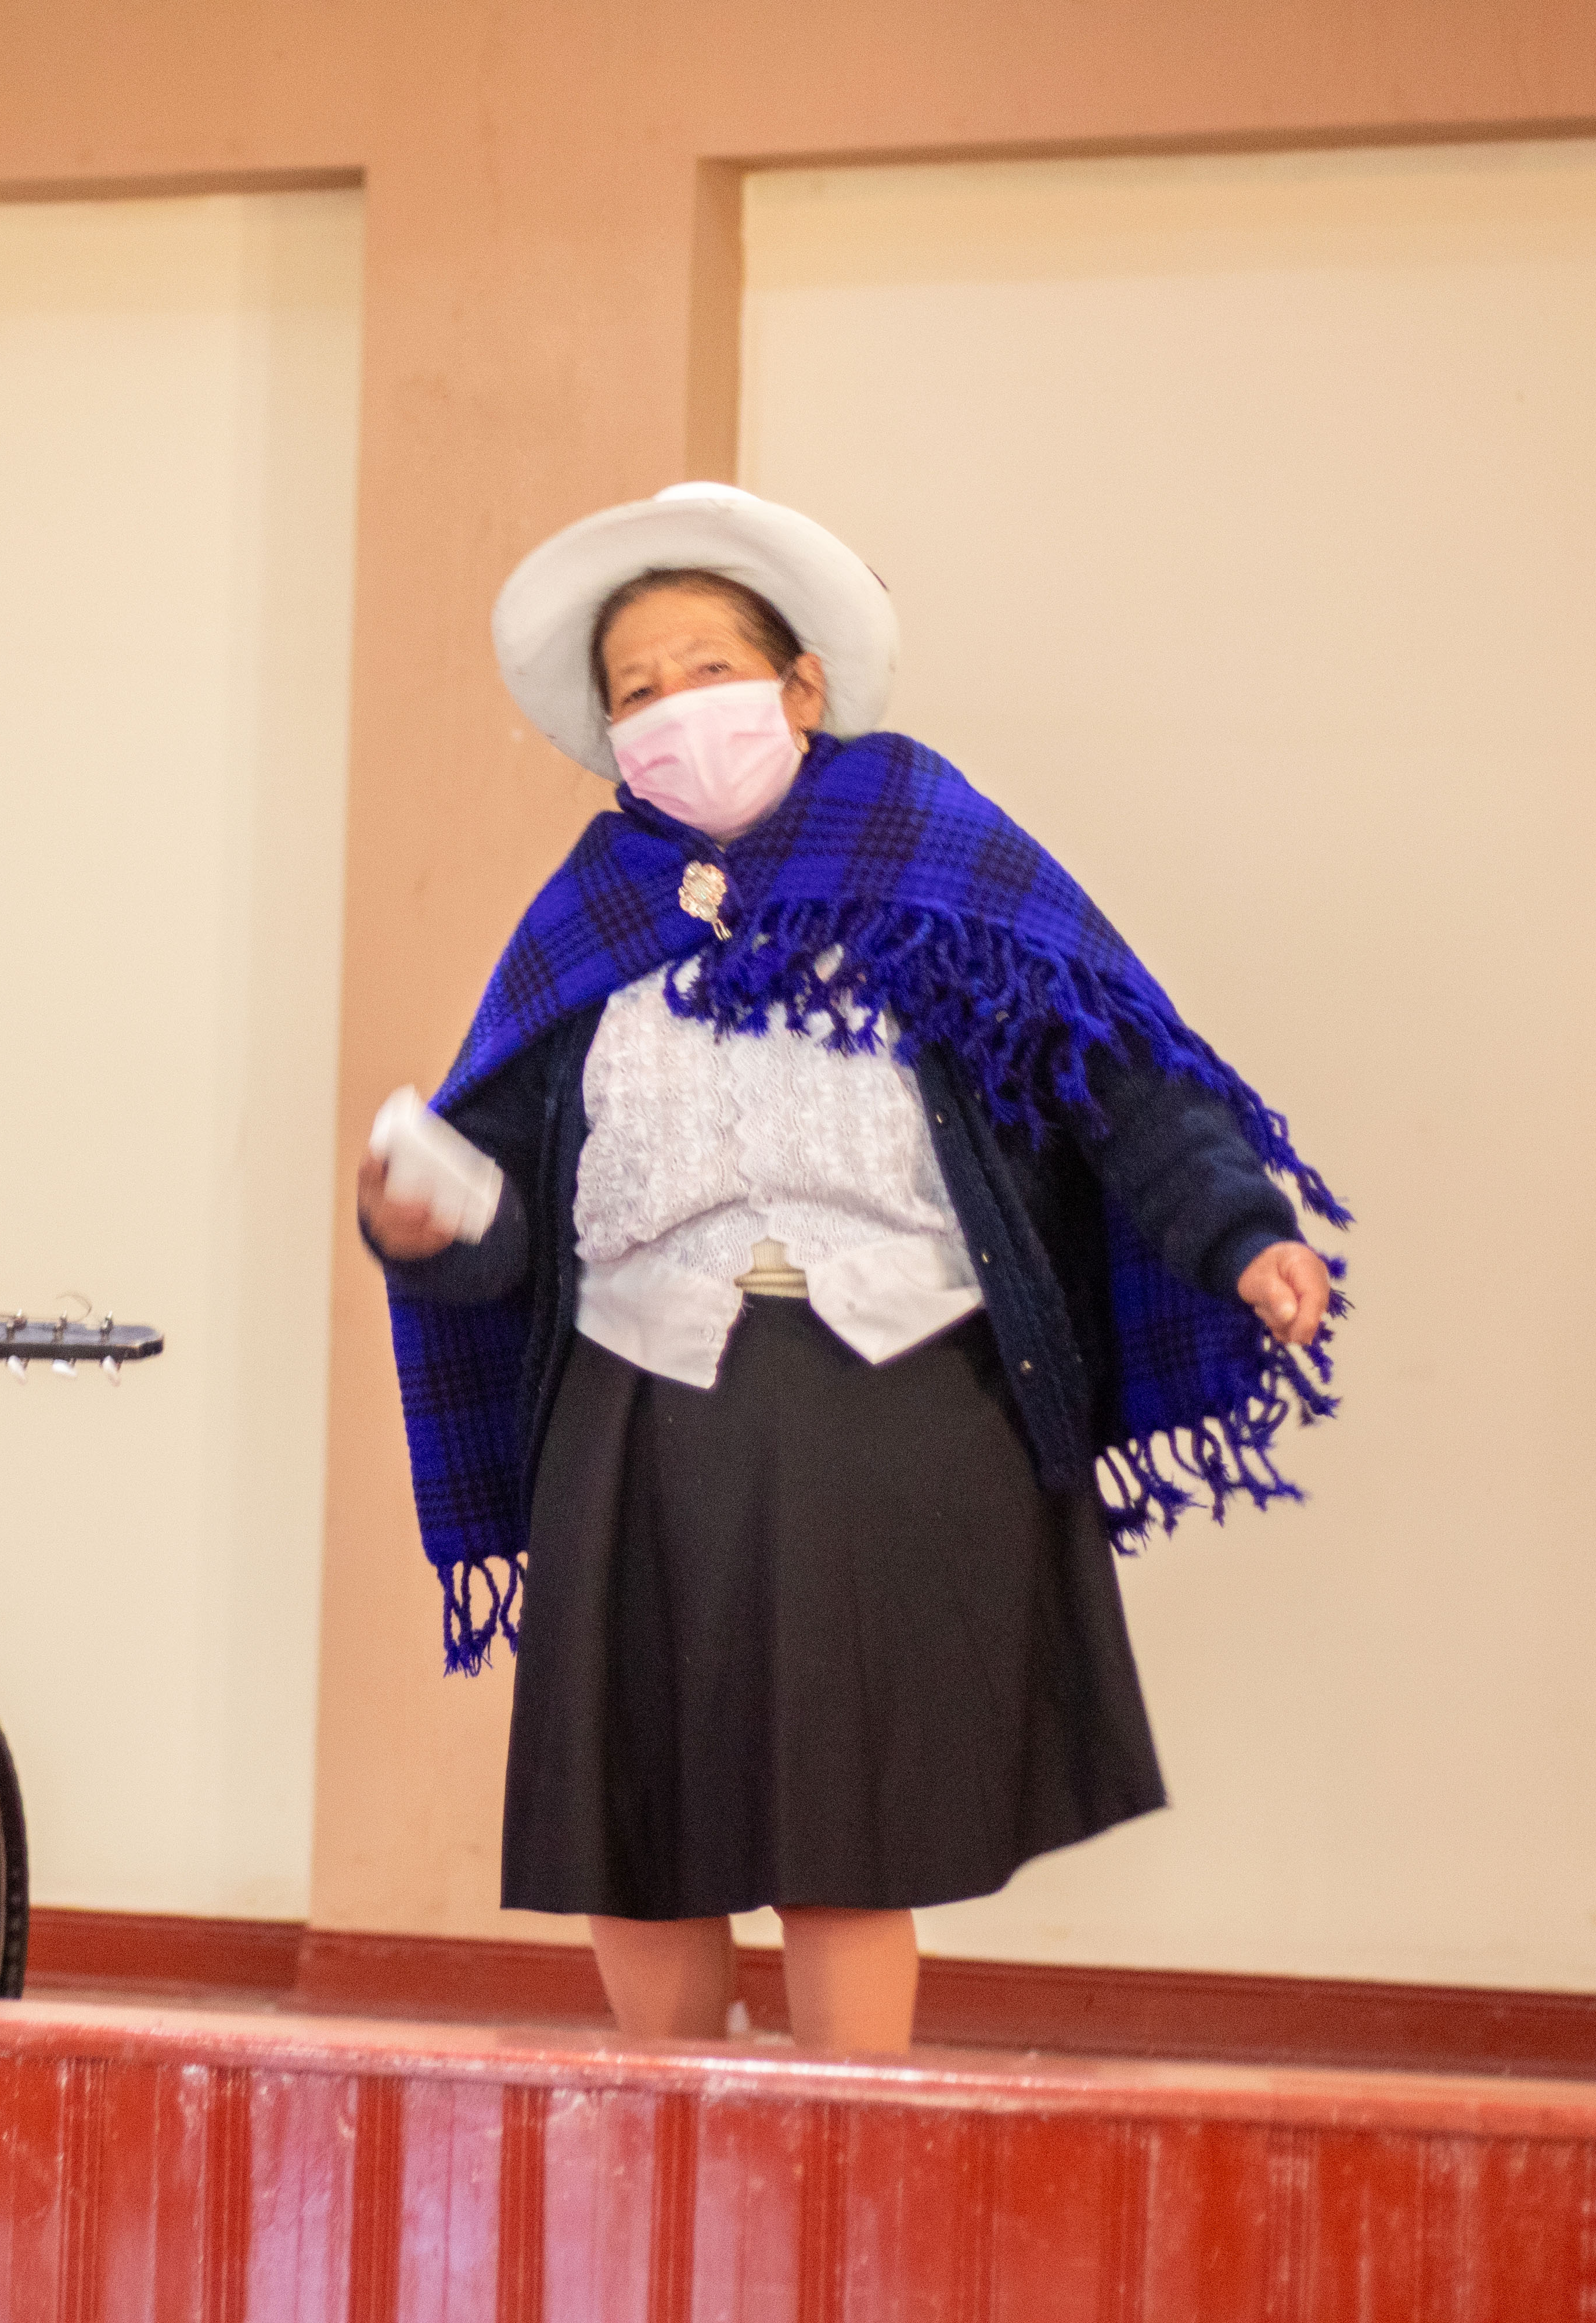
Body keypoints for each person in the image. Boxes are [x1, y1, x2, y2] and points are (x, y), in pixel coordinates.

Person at [359, 484, 1343, 2052]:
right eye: (637, 693)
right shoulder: (588, 922)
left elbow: (1121, 1083)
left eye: (706, 671)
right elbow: (513, 1220)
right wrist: (437, 1221)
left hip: (896, 1399)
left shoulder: (939, 862)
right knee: (642, 1841)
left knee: (843, 1839)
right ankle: (667, 2163)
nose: (675, 712)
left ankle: (838, 2178)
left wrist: (1243, 1234)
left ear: (800, 688)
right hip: (635, 1413)